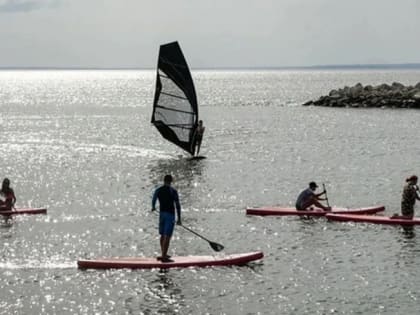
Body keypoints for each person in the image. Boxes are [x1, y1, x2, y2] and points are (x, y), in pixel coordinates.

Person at [151, 174, 182, 262]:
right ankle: (164, 256)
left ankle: (163, 253)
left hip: (162, 215)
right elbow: (177, 205)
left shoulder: (158, 190)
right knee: (167, 236)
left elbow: (154, 199)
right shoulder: (173, 191)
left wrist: (153, 207)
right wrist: (179, 219)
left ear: (164, 180)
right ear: (171, 181)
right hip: (170, 215)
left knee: (162, 234)